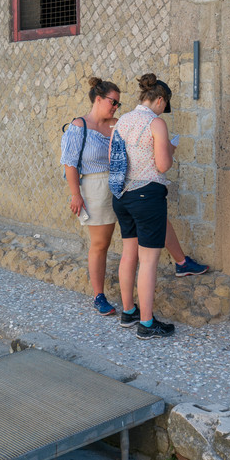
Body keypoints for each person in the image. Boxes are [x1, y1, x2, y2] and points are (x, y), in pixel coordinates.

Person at [61, 77, 207, 317]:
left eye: (118, 103)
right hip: (99, 187)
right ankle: (102, 297)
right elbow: (69, 163)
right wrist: (75, 194)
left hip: (120, 186)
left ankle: (179, 263)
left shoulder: (119, 123)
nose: (116, 106)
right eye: (113, 102)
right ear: (98, 99)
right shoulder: (80, 125)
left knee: (146, 235)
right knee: (102, 244)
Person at [112, 74, 179, 339]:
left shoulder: (122, 121)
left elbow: (113, 159)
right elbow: (162, 166)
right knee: (149, 261)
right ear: (160, 100)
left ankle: (128, 312)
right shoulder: (155, 123)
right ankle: (147, 324)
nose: (164, 111)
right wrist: (170, 151)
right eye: (165, 106)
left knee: (129, 254)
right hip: (147, 195)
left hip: (121, 195)